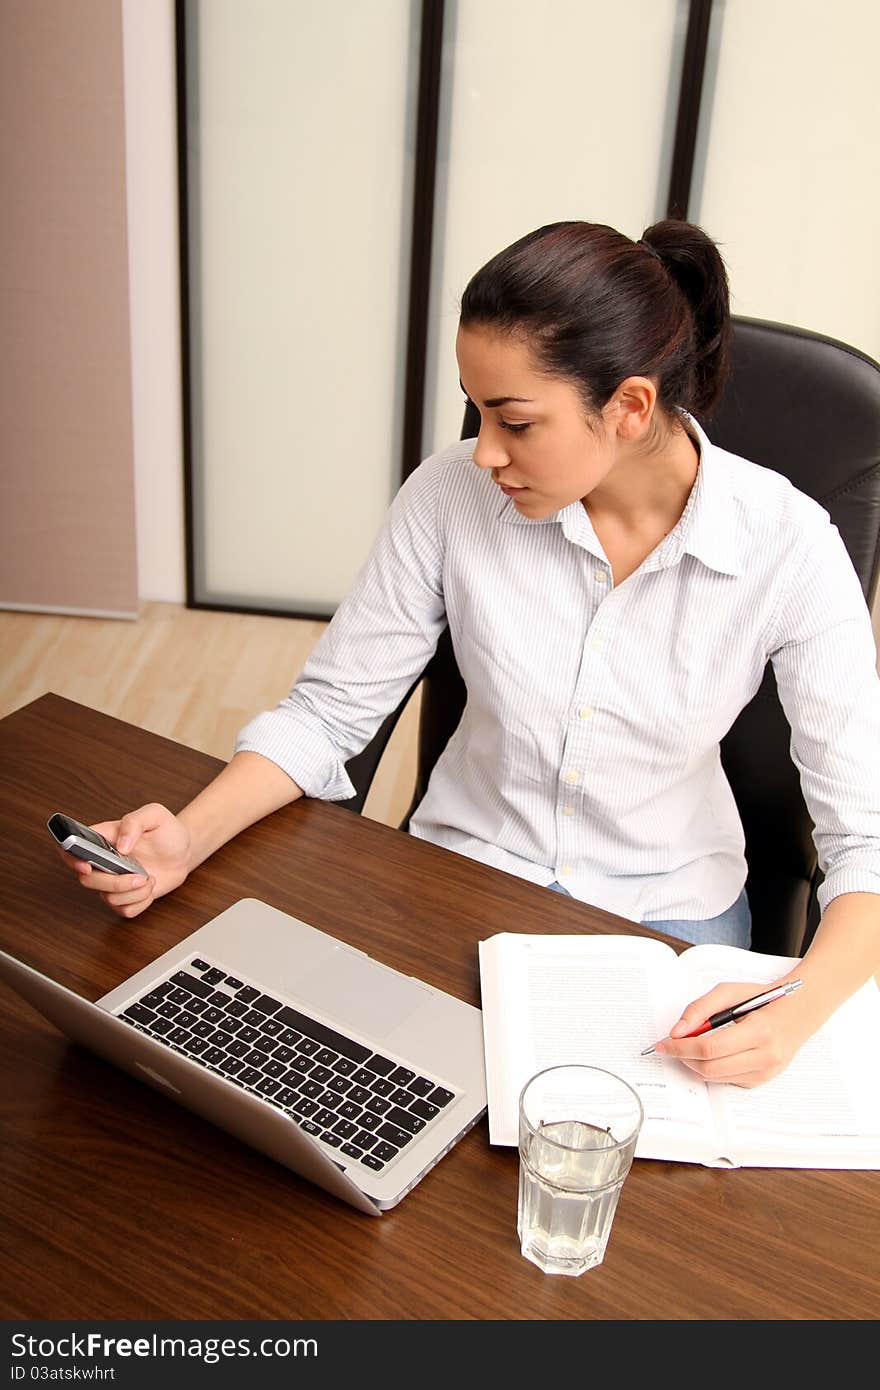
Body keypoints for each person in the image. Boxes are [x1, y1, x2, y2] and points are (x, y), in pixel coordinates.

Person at [62, 218, 880, 1089]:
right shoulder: (451, 495)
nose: (484, 451)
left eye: (516, 421)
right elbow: (330, 713)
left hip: (664, 922)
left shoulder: (788, 548)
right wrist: (185, 837)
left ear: (630, 406)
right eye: (479, 408)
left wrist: (801, 1005)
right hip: (461, 879)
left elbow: (865, 836)